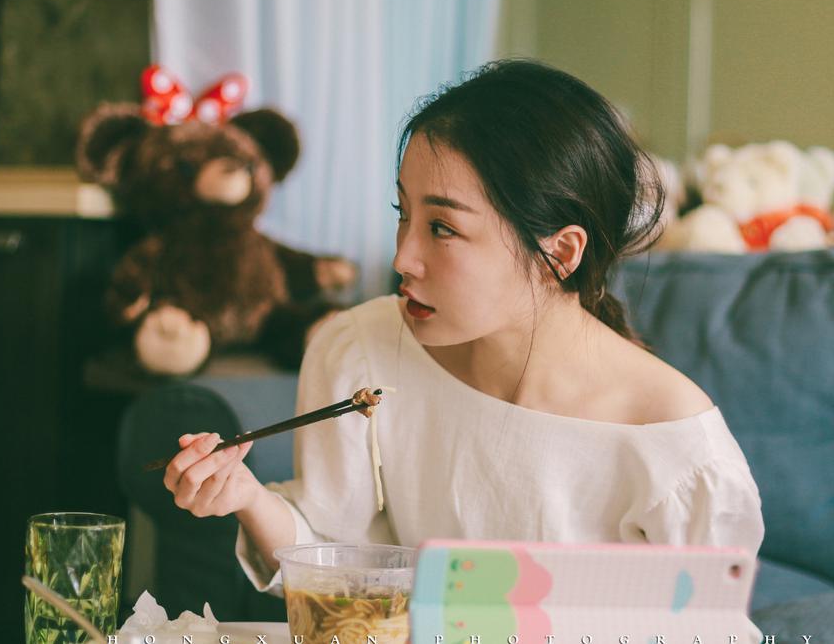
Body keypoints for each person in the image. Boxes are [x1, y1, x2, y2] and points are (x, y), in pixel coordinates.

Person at [161, 59, 764, 595]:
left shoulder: (676, 450)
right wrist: (246, 498)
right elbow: (336, 566)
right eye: (404, 214)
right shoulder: (360, 349)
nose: (403, 257)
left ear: (560, 253)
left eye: (443, 228)